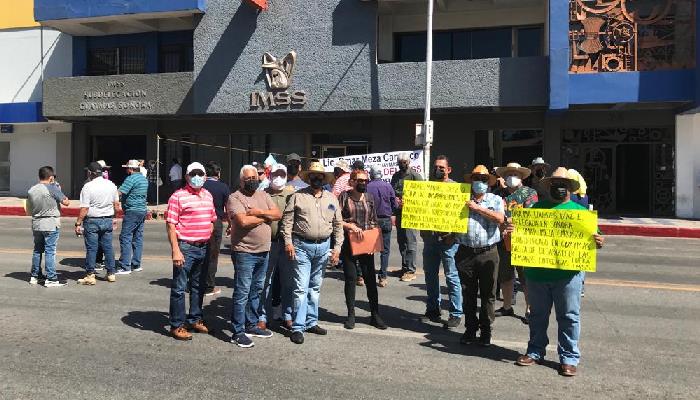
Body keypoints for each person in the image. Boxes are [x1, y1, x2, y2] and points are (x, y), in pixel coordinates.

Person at [514, 167, 605, 377]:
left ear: (570, 189)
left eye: (562, 185)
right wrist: (513, 231)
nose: (559, 188)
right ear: (548, 187)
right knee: (537, 316)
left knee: (569, 317)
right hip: (537, 274)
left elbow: (596, 237)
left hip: (568, 276)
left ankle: (569, 358)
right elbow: (520, 236)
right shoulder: (535, 211)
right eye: (555, 185)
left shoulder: (581, 213)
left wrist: (599, 240)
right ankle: (535, 351)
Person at [281, 161, 343, 345]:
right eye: (313, 176)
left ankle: (311, 321)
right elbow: (287, 221)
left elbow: (338, 225)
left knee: (314, 288)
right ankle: (298, 327)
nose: (317, 178)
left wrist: (337, 248)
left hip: (323, 247)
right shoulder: (297, 197)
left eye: (320, 176)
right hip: (301, 246)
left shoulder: (331, 199)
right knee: (300, 288)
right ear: (308, 178)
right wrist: (288, 242)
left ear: (324, 179)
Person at [227, 165, 282, 348]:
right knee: (242, 291)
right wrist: (266, 218)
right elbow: (242, 221)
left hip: (263, 251)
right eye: (248, 178)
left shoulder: (263, 195)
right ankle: (237, 331)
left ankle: (251, 324)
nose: (253, 180)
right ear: (241, 180)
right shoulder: (235, 197)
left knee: (257, 289)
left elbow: (277, 214)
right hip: (244, 251)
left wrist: (259, 213)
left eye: (255, 177)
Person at [165, 162, 217, 341]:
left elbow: (212, 219)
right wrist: (176, 250)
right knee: (179, 288)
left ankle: (195, 318)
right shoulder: (178, 196)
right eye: (193, 174)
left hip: (203, 247)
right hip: (185, 247)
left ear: (205, 176)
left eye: (200, 173)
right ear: (186, 176)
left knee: (198, 286)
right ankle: (177, 325)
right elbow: (171, 224)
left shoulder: (208, 195)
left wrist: (209, 237)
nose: (197, 177)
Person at [456, 165, 505, 346]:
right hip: (465, 252)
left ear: (488, 183)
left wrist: (477, 209)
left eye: (484, 180)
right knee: (468, 293)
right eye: (476, 179)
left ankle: (486, 330)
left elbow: (500, 218)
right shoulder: (460, 198)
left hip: (488, 253)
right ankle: (470, 329)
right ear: (471, 181)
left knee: (488, 294)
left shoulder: (495, 199)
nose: (480, 183)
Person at [338, 169, 387, 330]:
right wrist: (350, 225)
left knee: (370, 280)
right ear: (352, 181)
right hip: (349, 243)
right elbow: (337, 219)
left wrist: (374, 243)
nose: (363, 183)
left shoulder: (370, 198)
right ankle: (350, 315)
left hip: (366, 243)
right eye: (360, 180)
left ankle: (375, 315)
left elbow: (374, 221)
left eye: (365, 180)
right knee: (351, 279)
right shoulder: (343, 197)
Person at [420, 155, 463, 329]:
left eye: (442, 167)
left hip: (449, 241)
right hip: (430, 238)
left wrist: (454, 235)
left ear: (449, 170)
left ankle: (455, 313)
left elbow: (462, 216)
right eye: (436, 167)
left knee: (452, 276)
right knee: (430, 276)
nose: (438, 170)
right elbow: (419, 210)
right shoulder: (425, 188)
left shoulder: (456, 189)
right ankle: (433, 309)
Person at [494, 162, 538, 319]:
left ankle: (529, 309)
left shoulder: (529, 193)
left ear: (521, 177)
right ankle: (507, 306)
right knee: (505, 276)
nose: (511, 177)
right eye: (508, 175)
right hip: (502, 240)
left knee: (525, 277)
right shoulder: (498, 193)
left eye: (515, 174)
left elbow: (530, 216)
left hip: (523, 241)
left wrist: (510, 222)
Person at [75, 162, 121, 285]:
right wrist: (115, 218)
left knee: (92, 248)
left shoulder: (88, 187)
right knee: (108, 247)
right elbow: (116, 205)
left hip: (92, 220)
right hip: (107, 219)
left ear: (90, 173)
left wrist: (78, 223)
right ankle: (111, 273)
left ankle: (90, 274)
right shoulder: (111, 185)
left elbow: (84, 208)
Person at [262, 164, 295, 328]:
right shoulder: (262, 194)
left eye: (282, 174)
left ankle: (287, 315)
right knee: (264, 281)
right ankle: (261, 317)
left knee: (288, 282)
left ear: (287, 176)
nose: (278, 177)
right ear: (270, 175)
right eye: (275, 174)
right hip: (267, 244)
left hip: (287, 244)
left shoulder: (292, 195)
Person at [27, 166, 70, 287]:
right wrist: (58, 189)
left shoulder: (32, 189)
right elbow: (66, 202)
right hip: (50, 223)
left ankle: (35, 276)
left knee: (37, 250)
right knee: (50, 251)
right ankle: (51, 277)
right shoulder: (52, 188)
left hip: (36, 223)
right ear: (51, 177)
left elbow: (28, 209)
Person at [391, 152, 423, 282]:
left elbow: (422, 193)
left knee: (411, 241)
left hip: (411, 214)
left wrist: (409, 200)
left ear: (408, 163)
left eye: (404, 162)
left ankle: (411, 270)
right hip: (399, 213)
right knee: (401, 241)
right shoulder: (396, 176)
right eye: (400, 162)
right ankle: (404, 267)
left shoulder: (415, 176)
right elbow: (392, 192)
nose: (402, 165)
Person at [115, 160, 149, 275]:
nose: (126, 170)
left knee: (125, 237)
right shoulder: (143, 179)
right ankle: (136, 264)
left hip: (132, 211)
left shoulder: (131, 179)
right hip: (142, 210)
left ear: (131, 169)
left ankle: (125, 266)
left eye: (127, 168)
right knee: (138, 237)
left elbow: (120, 192)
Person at [202, 161, 231, 297]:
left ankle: (194, 283)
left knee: (198, 253)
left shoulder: (200, 185)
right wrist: (231, 225)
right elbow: (228, 208)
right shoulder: (223, 187)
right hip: (216, 222)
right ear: (218, 173)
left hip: (199, 221)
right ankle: (209, 286)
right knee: (213, 255)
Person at [366, 166, 396, 287]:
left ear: (371, 175)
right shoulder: (388, 186)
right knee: (385, 250)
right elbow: (394, 203)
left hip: (372, 220)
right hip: (386, 219)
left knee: (370, 249)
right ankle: (383, 277)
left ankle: (369, 274)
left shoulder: (367, 187)